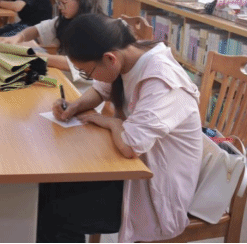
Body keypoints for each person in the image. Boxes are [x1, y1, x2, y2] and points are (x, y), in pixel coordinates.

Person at [37, 14, 202, 243]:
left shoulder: (162, 81)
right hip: (127, 171)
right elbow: (100, 90)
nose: (88, 77)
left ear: (109, 59)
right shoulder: (126, 55)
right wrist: (75, 106)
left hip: (154, 192)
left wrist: (113, 122)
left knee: (52, 214)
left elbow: (130, 145)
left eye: (86, 72)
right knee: (43, 190)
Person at [3, 0, 101, 72]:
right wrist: (18, 37)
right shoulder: (66, 19)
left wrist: (34, 56)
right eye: (58, 2)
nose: (60, 6)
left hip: (80, 81)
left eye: (64, 2)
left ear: (81, 0)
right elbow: (37, 29)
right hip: (62, 75)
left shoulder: (96, 28)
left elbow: (76, 64)